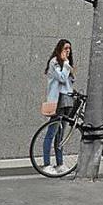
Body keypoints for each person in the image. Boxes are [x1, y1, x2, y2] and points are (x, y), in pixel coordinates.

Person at [42, 39, 75, 175]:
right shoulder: (54, 62)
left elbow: (69, 82)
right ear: (59, 48)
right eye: (65, 48)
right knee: (51, 132)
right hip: (57, 100)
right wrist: (67, 65)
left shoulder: (66, 64)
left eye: (69, 49)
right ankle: (46, 164)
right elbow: (61, 78)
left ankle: (60, 163)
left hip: (67, 100)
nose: (68, 51)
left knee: (60, 135)